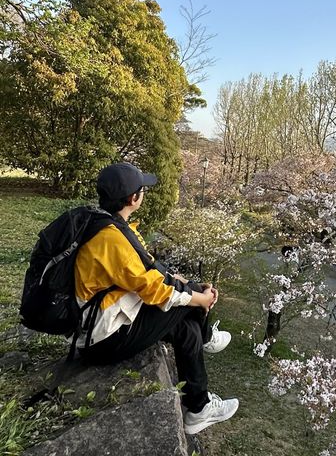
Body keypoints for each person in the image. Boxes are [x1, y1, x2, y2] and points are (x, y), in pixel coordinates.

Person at [74, 162, 238, 435]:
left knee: (186, 328)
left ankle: (197, 407)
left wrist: (186, 284)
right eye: (142, 190)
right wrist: (199, 300)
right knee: (189, 301)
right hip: (102, 339)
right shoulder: (112, 239)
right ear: (133, 198)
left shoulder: (106, 223)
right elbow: (155, 290)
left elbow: (148, 268)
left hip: (103, 323)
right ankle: (206, 339)